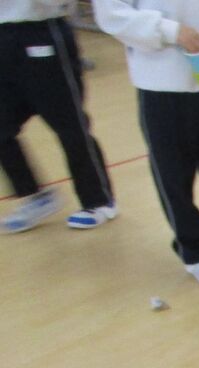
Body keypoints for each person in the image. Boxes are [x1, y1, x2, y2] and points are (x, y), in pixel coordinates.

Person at [92, 0, 199, 287]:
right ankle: (196, 248)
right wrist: (170, 30)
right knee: (173, 175)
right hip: (160, 83)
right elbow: (111, 13)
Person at [0, 0, 116, 233]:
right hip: (4, 36)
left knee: (70, 125)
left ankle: (98, 200)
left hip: (41, 31)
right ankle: (34, 196)